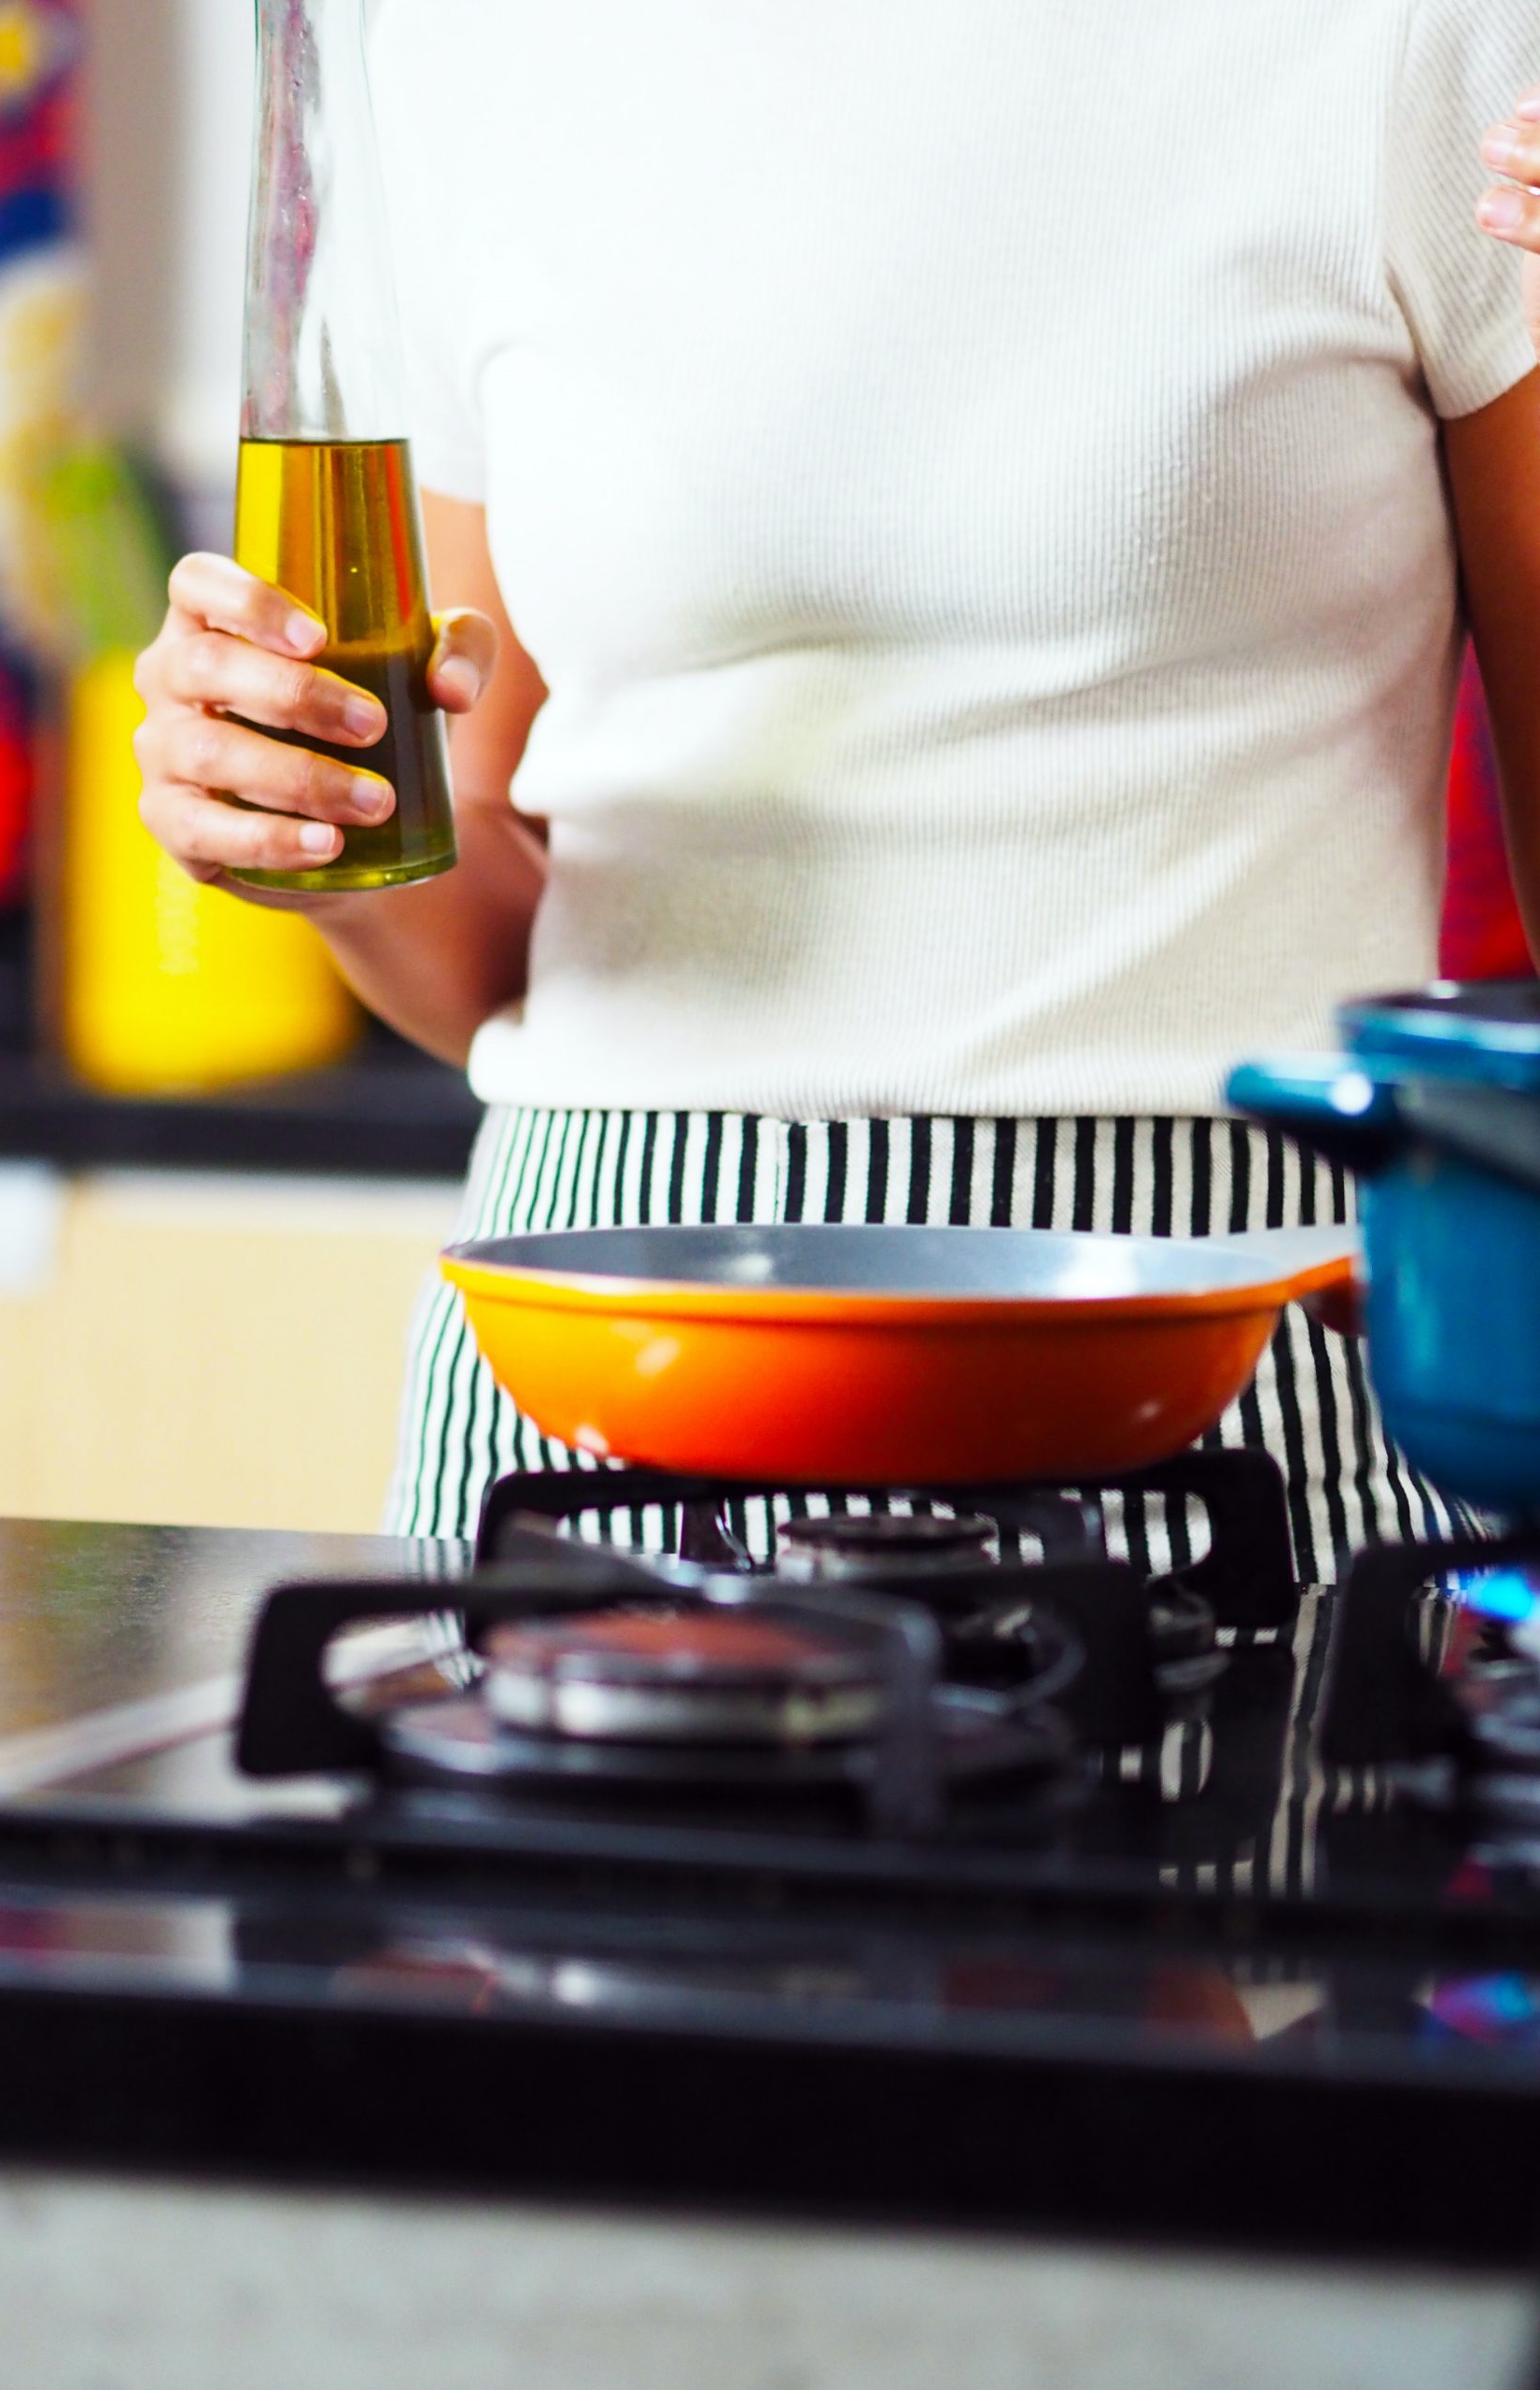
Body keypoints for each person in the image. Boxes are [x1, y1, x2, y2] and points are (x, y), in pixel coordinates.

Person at [133, 5, 1540, 1582]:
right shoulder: (464, 46)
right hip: (592, 1403)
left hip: (1230, 1385)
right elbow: (488, 957)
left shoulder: (1430, 35)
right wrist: (312, 832)